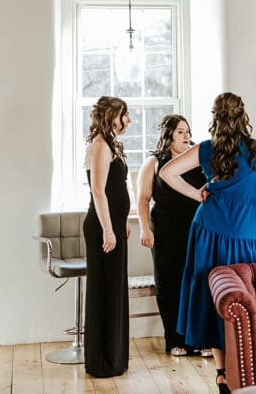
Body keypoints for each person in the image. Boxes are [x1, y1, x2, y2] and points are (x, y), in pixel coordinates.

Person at [161, 92, 256, 394]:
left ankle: (223, 373)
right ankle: (248, 370)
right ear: (243, 115)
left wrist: (197, 193)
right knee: (249, 298)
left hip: (208, 228)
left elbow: (167, 172)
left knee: (213, 297)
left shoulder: (206, 148)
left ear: (216, 117)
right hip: (245, 232)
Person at [136, 114, 211, 357]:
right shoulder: (154, 162)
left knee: (198, 281)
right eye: (180, 131)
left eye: (187, 130)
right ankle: (175, 340)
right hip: (166, 230)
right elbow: (142, 199)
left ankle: (199, 339)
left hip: (196, 228)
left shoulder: (198, 160)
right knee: (170, 284)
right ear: (168, 135)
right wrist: (145, 229)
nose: (186, 135)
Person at [82, 96, 132, 378]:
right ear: (113, 116)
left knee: (116, 290)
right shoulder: (100, 146)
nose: (128, 120)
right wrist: (109, 229)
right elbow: (98, 192)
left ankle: (115, 359)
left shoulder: (111, 144)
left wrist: (120, 222)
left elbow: (116, 188)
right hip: (102, 228)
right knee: (104, 290)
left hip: (113, 225)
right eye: (125, 115)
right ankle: (102, 362)